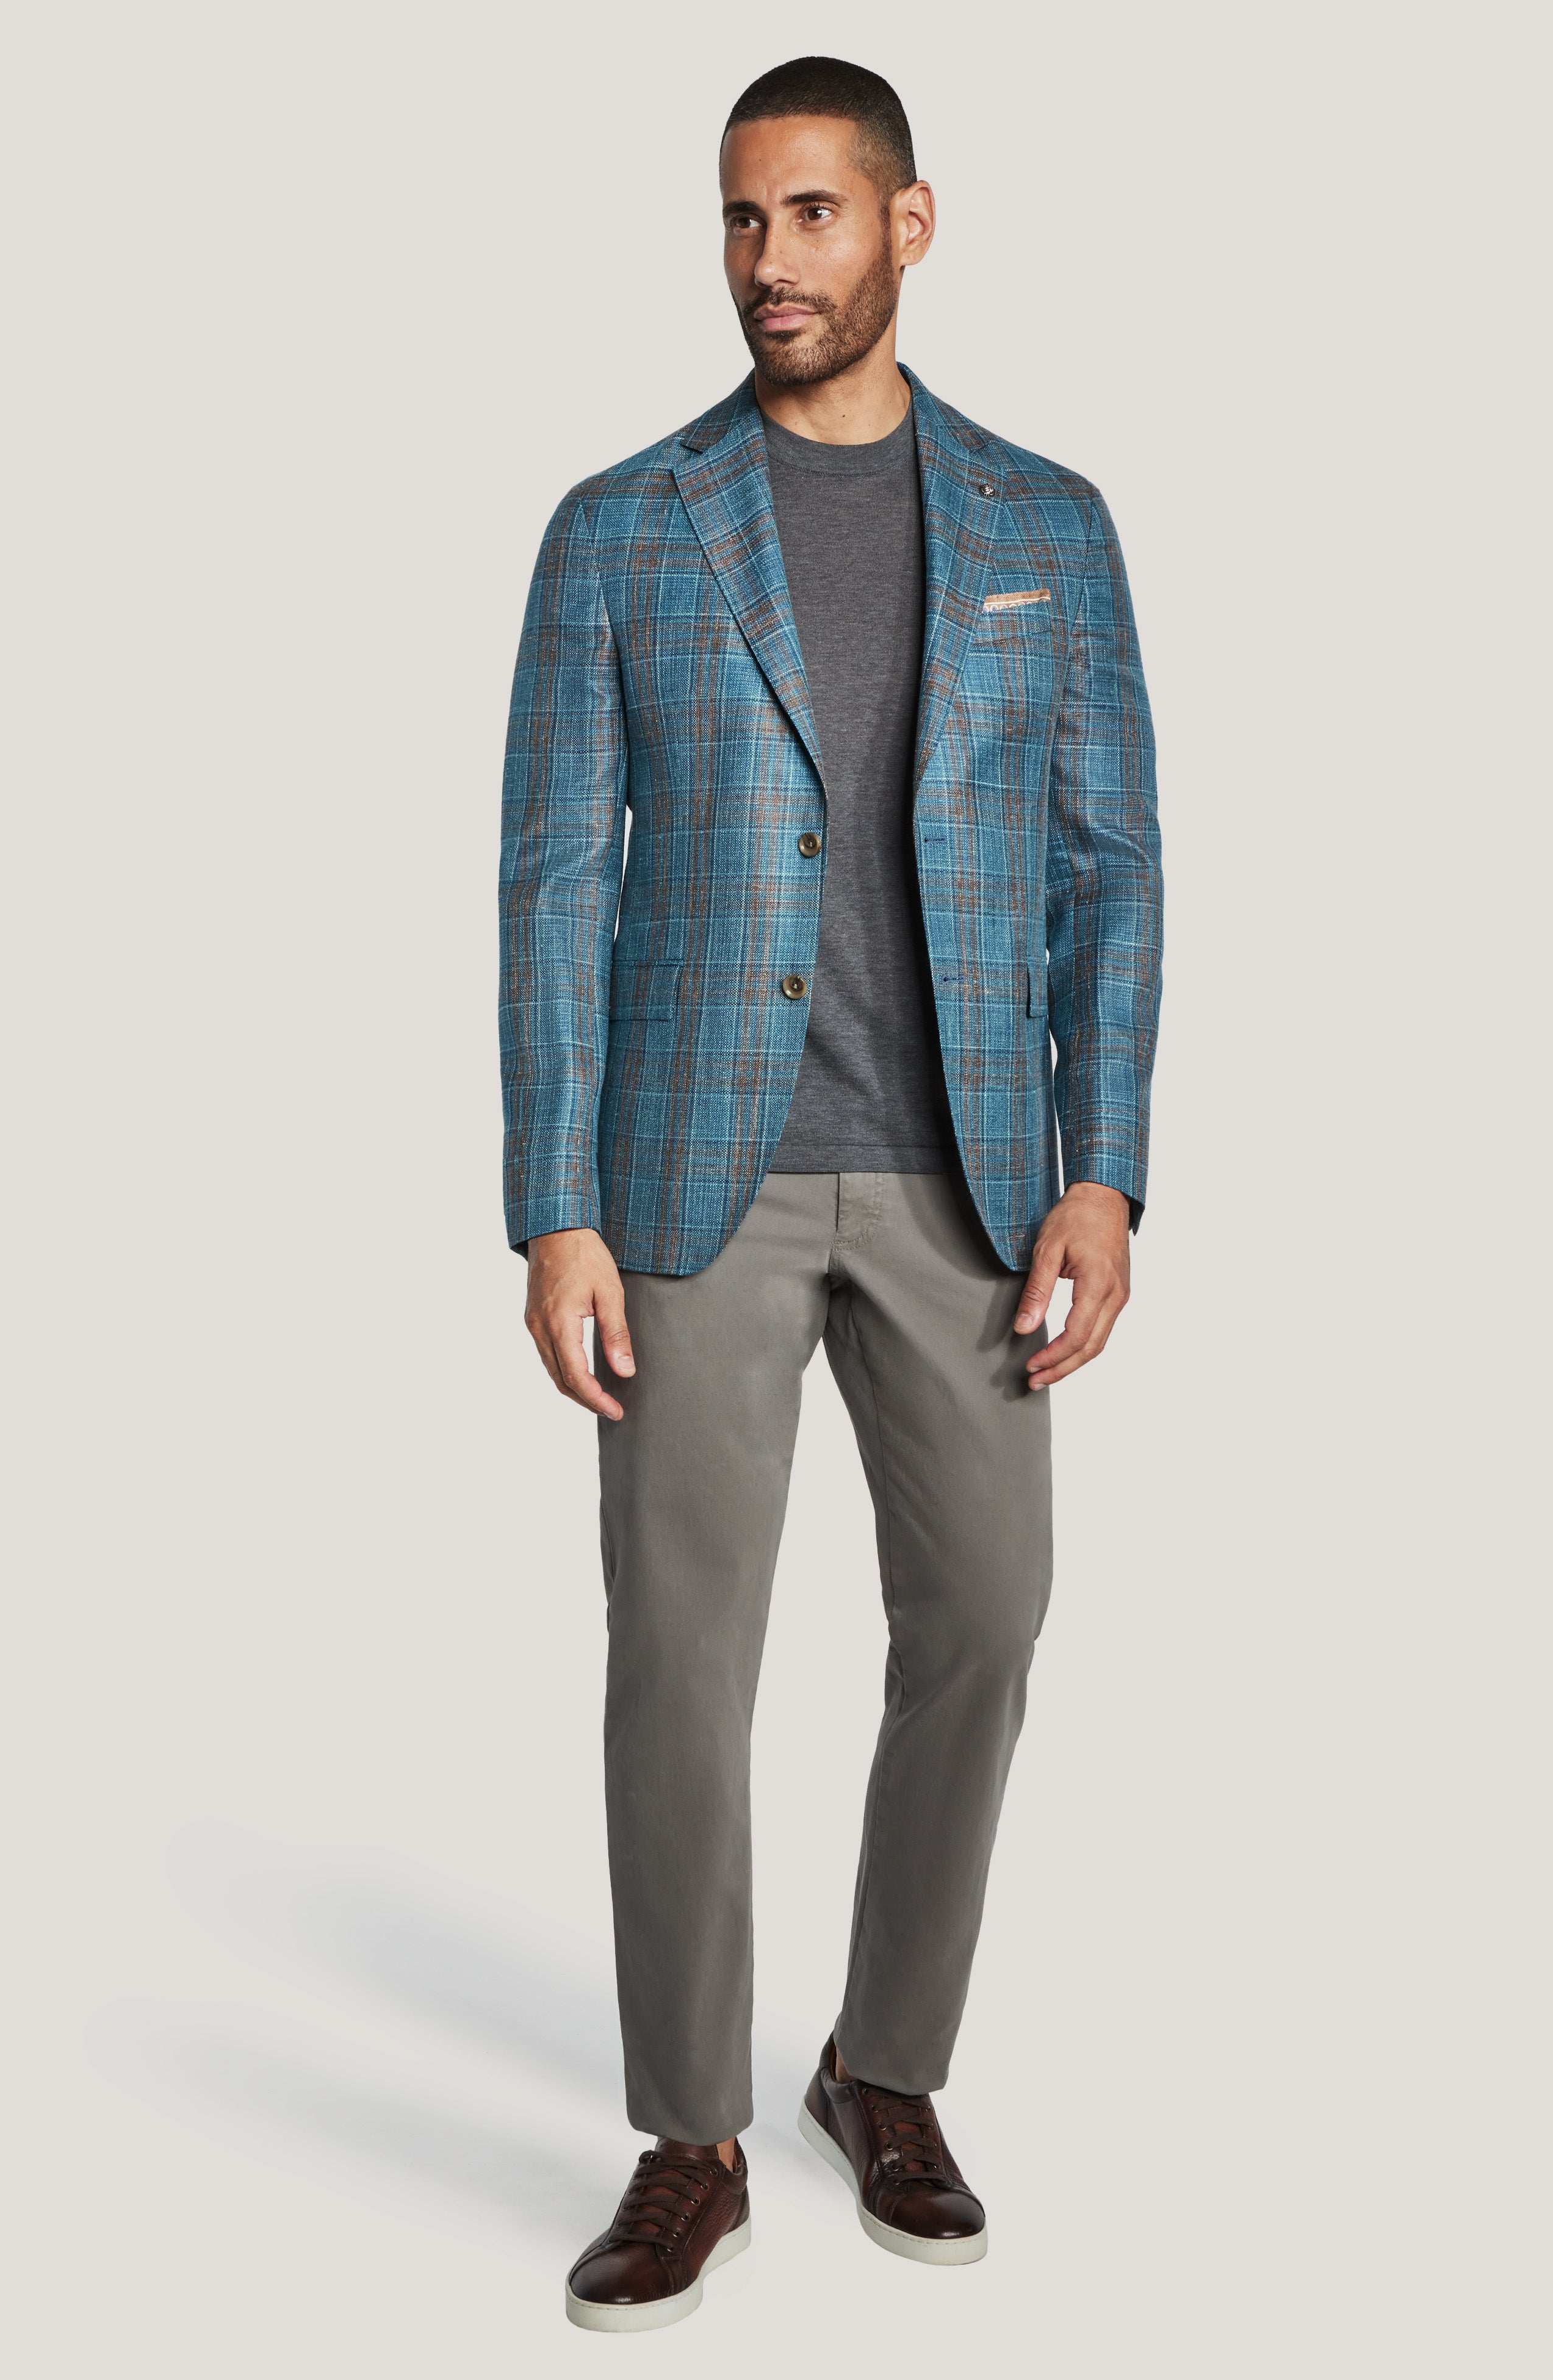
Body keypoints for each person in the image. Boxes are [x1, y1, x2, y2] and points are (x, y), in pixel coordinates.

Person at [499, 54, 1162, 2333]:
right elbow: (553, 879)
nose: (768, 261)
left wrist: (1108, 1173)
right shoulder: (621, 526)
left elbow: (1111, 867)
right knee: (681, 1661)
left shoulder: (1050, 524)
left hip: (973, 1178)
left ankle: (885, 2064)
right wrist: (554, 1206)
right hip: (696, 1184)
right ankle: (690, 2135)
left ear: (909, 223)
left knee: (987, 1616)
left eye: (809, 214)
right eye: (740, 218)